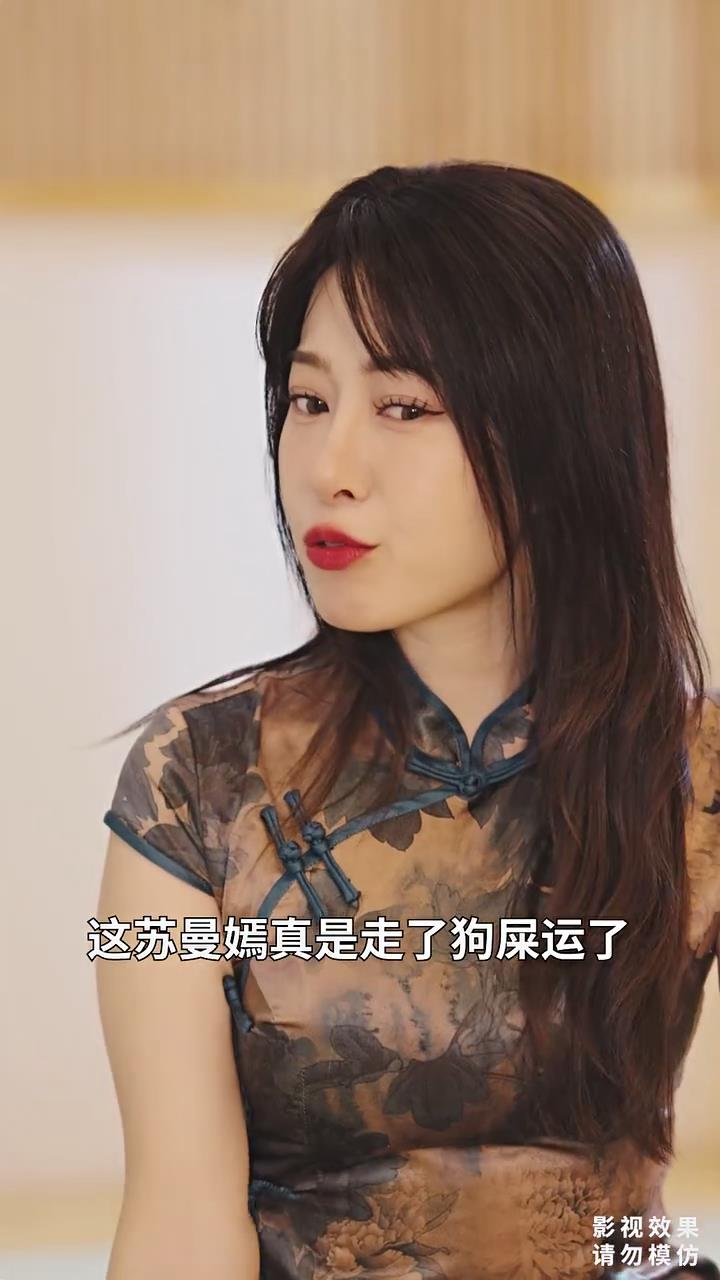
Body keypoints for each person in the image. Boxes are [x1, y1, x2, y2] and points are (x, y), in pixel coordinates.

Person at [95, 161, 720, 1279]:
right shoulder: (203, 775)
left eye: (403, 407)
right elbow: (180, 1226)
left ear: (559, 436)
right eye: (308, 401)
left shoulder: (694, 771)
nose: (329, 467)